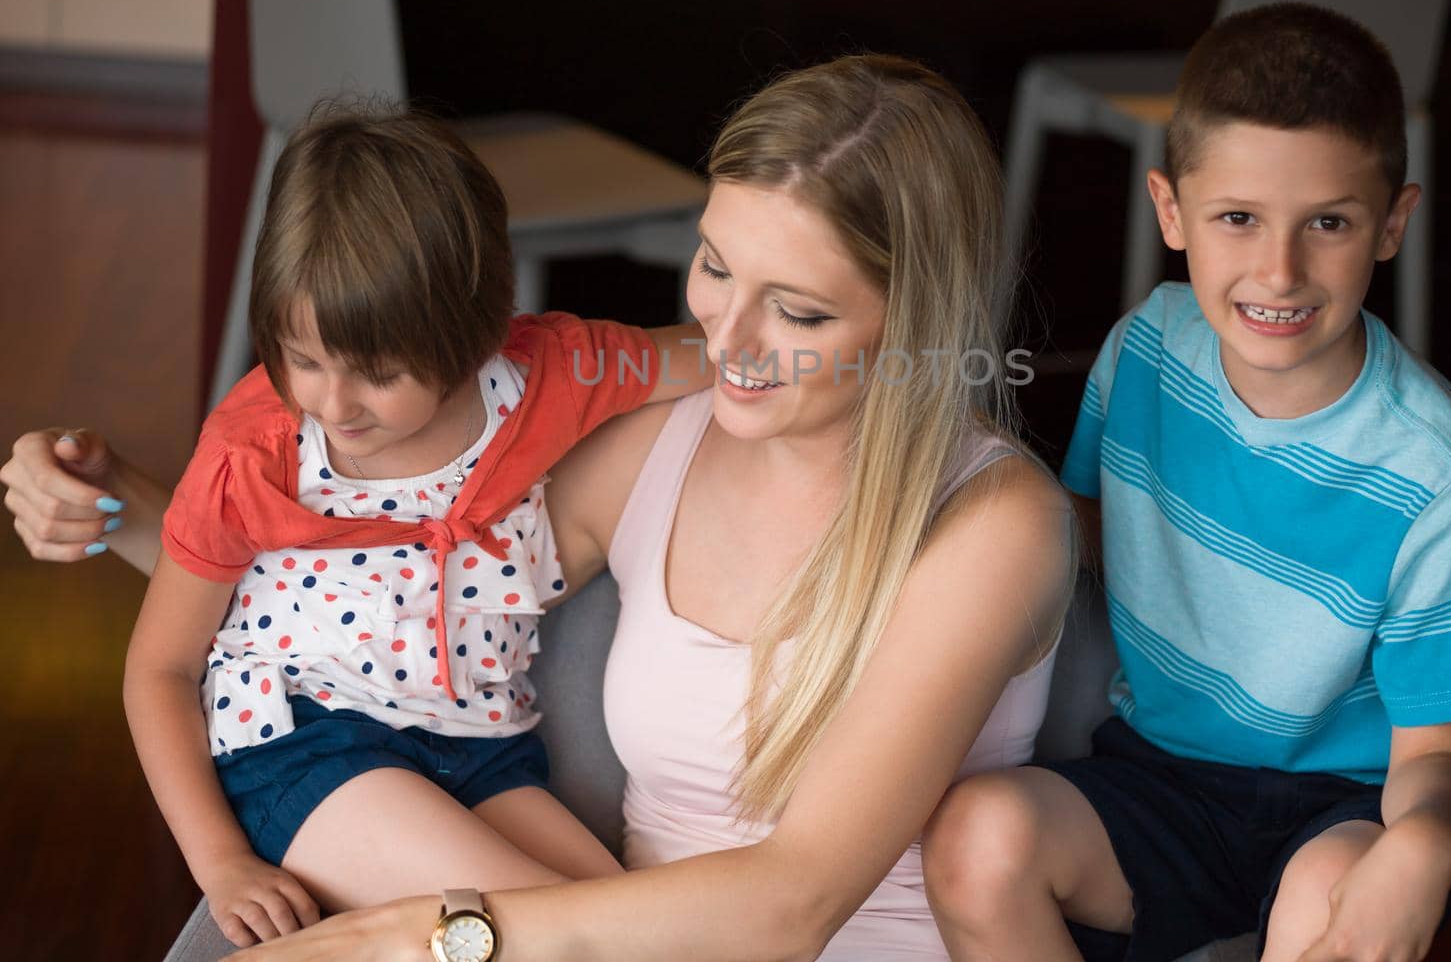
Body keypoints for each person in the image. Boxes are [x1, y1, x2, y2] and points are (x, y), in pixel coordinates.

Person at [3, 54, 1075, 961]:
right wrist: (113, 507)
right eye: (712, 265)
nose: (726, 343)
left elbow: (791, 905)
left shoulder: (989, 525)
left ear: (918, 310)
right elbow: (364, 583)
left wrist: (422, 935)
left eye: (795, 309)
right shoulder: (656, 446)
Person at [919, 3, 1451, 962]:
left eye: (1327, 222)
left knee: (1330, 899)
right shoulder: (1146, 352)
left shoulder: (1444, 476)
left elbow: (1442, 760)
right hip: (1160, 775)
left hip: (1344, 807)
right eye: (1238, 219)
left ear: (1392, 223)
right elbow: (1071, 539)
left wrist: (1424, 847)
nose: (1279, 272)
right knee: (976, 839)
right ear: (1172, 212)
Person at [118, 106, 705, 948]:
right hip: (306, 743)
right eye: (302, 357)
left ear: (474, 339)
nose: (333, 402)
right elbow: (161, 667)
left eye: (379, 374)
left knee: (633, 921)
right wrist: (221, 863)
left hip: (481, 748)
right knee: (580, 942)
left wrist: (904, 352)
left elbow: (725, 353)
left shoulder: (551, 373)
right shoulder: (253, 450)